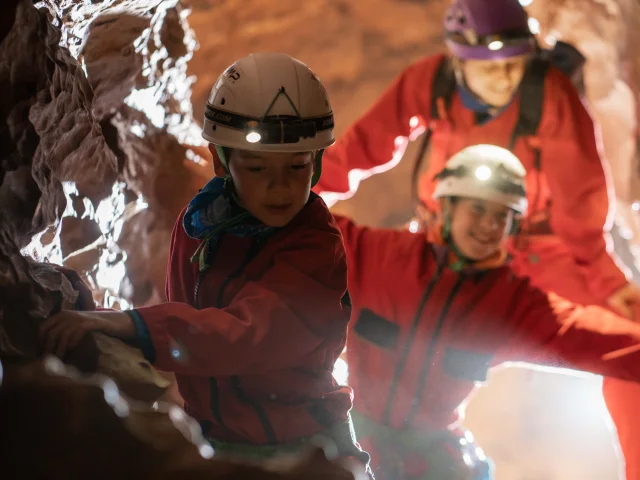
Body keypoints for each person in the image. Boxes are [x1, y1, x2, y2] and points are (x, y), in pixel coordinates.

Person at [314, 0, 640, 475]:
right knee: (390, 332)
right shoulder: (431, 81)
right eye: (491, 70)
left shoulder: (548, 94)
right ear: (457, 60)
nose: (505, 80)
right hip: (441, 241)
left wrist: (611, 286)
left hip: (536, 247)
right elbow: (362, 149)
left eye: (515, 66)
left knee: (627, 346)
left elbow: (580, 209)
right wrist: (294, 201)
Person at [37, 52, 370, 470]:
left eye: (297, 165)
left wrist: (133, 325)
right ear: (221, 161)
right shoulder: (202, 223)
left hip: (303, 443)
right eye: (256, 166)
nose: (279, 187)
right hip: (218, 435)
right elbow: (193, 317)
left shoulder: (315, 247)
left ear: (317, 162)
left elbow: (249, 337)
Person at [330, 144, 640, 479]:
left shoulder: (509, 304)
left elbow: (601, 341)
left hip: (433, 459)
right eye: (477, 209)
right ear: (446, 206)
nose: (488, 226)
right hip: (353, 437)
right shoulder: (379, 257)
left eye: (501, 216)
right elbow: (303, 227)